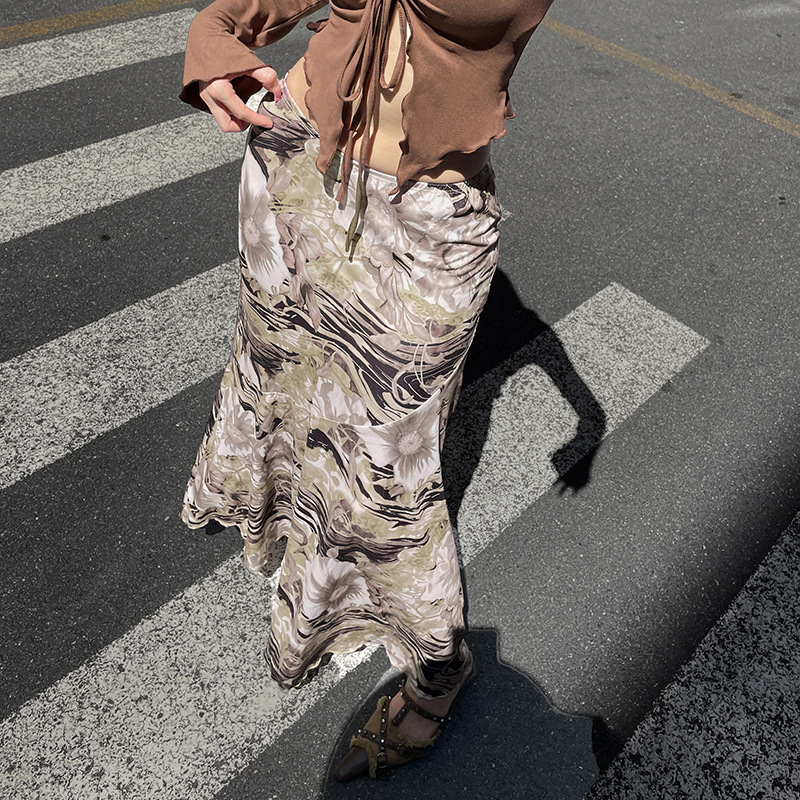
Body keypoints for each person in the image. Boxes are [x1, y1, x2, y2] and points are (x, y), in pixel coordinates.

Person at [179, 0, 555, 781]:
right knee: (280, 389)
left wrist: (580, 408)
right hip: (294, 167)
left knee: (388, 466)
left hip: (430, 223)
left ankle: (437, 670)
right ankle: (303, 555)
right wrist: (214, 37)